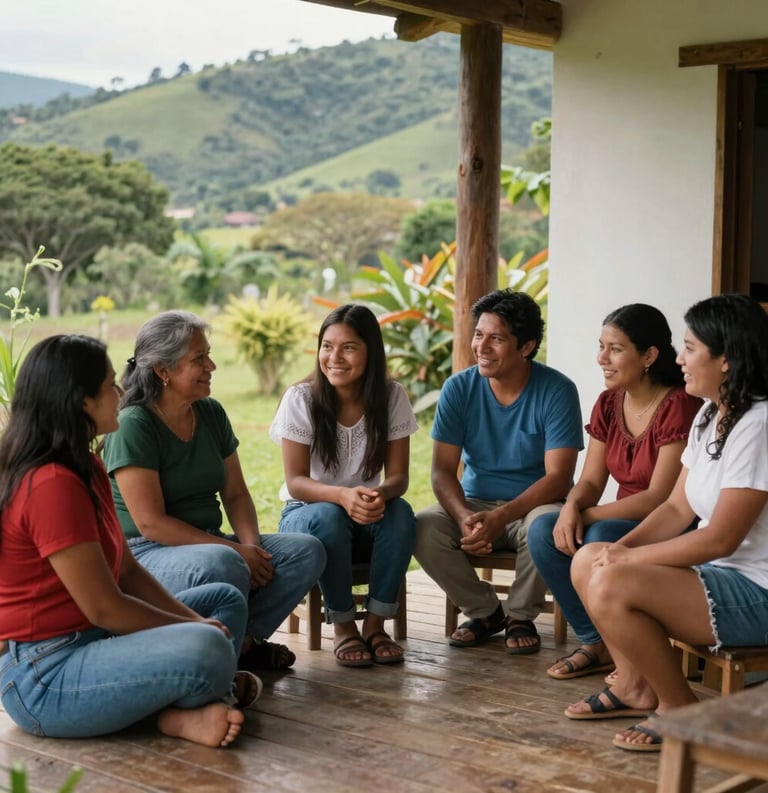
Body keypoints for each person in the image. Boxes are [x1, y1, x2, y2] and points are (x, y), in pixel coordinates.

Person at [0, 335, 254, 747]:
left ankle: (188, 701)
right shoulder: (49, 484)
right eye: (108, 385)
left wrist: (193, 620)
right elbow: (106, 608)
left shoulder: (85, 463)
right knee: (207, 645)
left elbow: (128, 571)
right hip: (45, 676)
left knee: (224, 601)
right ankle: (182, 710)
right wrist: (191, 628)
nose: (120, 392)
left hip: (95, 641)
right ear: (81, 401)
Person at [566, 294, 768, 752]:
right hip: (721, 577)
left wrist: (627, 556)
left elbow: (720, 538)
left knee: (614, 581)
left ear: (727, 361)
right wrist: (612, 551)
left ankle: (679, 708)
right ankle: (633, 686)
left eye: (691, 348)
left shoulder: (759, 425)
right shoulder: (711, 416)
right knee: (587, 562)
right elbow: (678, 510)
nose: (679, 359)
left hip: (757, 590)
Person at [101, 311, 326, 672]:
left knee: (306, 551)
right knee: (225, 562)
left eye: (208, 354)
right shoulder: (134, 424)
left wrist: (253, 549)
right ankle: (220, 656)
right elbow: (151, 524)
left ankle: (240, 643)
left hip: (209, 542)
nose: (212, 366)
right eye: (199, 359)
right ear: (163, 370)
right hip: (146, 554)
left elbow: (235, 494)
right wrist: (236, 552)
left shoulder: (210, 413)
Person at [528, 304, 701, 680]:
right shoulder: (609, 403)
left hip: (669, 523)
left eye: (615, 348)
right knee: (543, 529)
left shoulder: (679, 406)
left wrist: (586, 516)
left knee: (599, 535)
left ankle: (629, 649)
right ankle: (598, 641)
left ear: (649, 356)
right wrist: (572, 506)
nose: (601, 358)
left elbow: (661, 497)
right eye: (601, 346)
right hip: (619, 517)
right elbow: (591, 481)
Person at [414, 289, 584, 654]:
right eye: (478, 334)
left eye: (496, 338)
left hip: (537, 504)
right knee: (423, 524)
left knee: (546, 526)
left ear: (526, 346)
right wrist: (463, 517)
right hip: (476, 502)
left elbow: (558, 478)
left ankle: (521, 616)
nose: (481, 347)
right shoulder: (458, 388)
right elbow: (442, 470)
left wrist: (501, 516)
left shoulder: (557, 390)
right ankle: (486, 612)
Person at [270, 304, 418, 668]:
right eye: (327, 345)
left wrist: (378, 494)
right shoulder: (301, 398)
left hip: (363, 513)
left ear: (371, 351)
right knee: (329, 518)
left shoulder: (391, 396)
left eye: (348, 347)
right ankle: (343, 626)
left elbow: (398, 478)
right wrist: (341, 496)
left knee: (400, 512)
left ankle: (375, 624)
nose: (334, 357)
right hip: (306, 517)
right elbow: (297, 483)